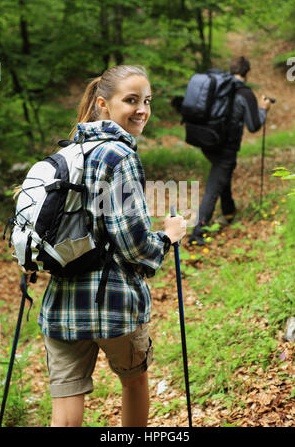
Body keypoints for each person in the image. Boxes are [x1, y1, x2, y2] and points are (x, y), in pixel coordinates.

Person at [38, 65, 187, 427]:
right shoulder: (119, 156)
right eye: (131, 100)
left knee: (66, 406)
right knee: (134, 382)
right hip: (114, 304)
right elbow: (132, 244)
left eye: (147, 101)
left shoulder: (69, 152)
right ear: (103, 104)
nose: (142, 110)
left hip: (61, 303)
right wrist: (168, 235)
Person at [188, 56, 271, 246]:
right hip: (226, 147)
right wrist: (263, 109)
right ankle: (198, 233)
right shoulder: (244, 92)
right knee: (214, 186)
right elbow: (254, 125)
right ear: (247, 73)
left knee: (222, 174)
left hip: (207, 141)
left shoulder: (219, 85)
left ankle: (228, 211)